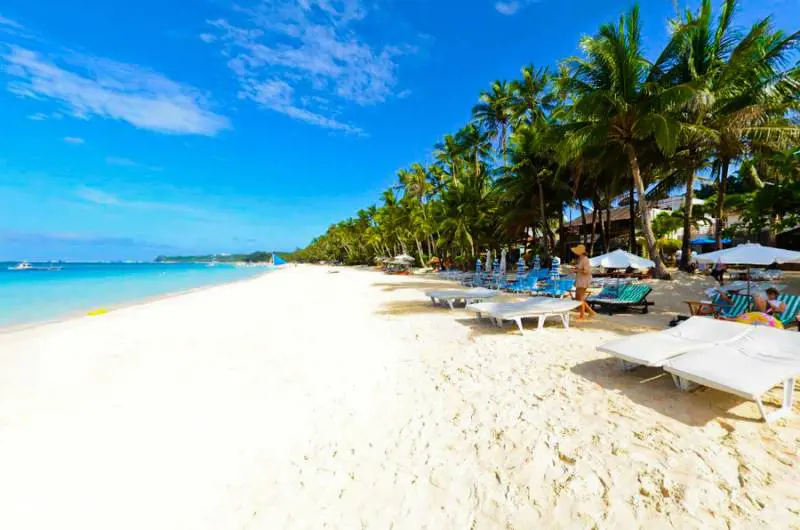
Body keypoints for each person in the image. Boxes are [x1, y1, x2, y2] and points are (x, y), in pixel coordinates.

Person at [571, 244, 596, 320]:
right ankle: (591, 312)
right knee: (578, 298)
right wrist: (576, 267)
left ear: (580, 252)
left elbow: (587, 271)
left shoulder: (585, 259)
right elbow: (581, 268)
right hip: (580, 279)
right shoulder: (580, 259)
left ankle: (582, 316)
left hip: (584, 280)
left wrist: (576, 270)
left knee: (580, 299)